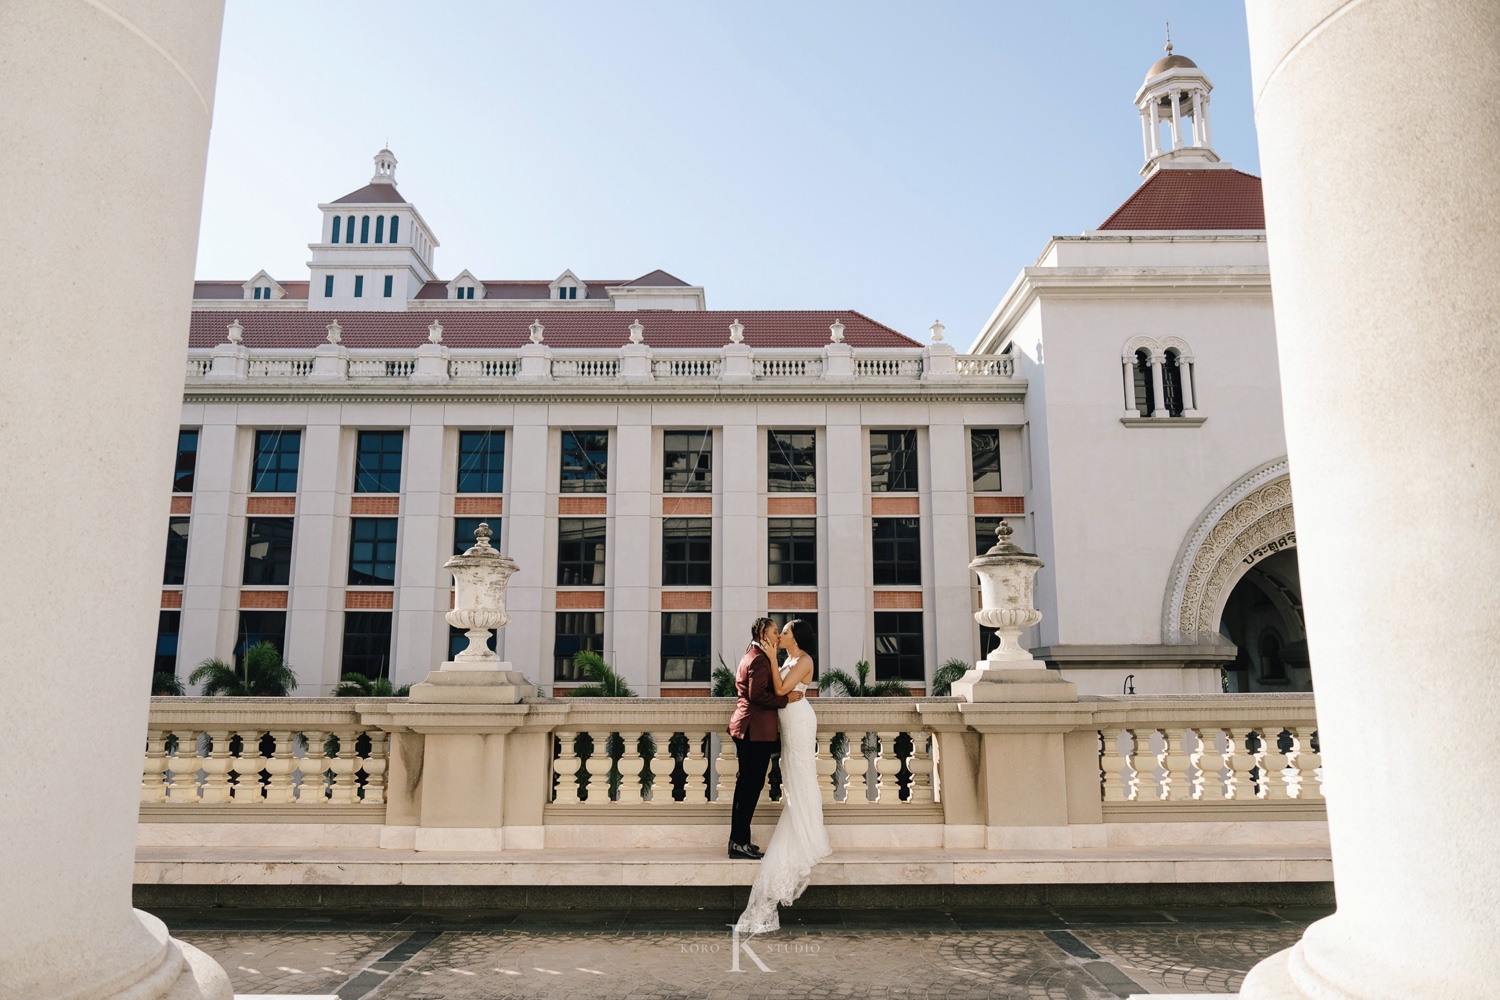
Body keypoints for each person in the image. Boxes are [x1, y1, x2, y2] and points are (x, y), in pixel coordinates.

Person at [735, 618, 831, 934]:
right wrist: (777, 660)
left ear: (796, 637)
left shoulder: (803, 660)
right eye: (779, 631)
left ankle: (806, 829)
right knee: (790, 775)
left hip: (800, 721)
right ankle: (794, 817)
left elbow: (779, 688)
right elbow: (778, 692)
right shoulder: (787, 658)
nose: (781, 635)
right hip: (785, 722)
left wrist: (774, 660)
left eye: (785, 631)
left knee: (801, 771)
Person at [727, 617, 801, 860]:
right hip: (754, 730)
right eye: (775, 631)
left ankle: (740, 841)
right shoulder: (759, 659)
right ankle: (738, 843)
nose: (778, 635)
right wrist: (784, 699)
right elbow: (756, 694)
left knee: (747, 786)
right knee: (749, 787)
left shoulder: (752, 653)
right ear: (763, 635)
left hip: (750, 728)